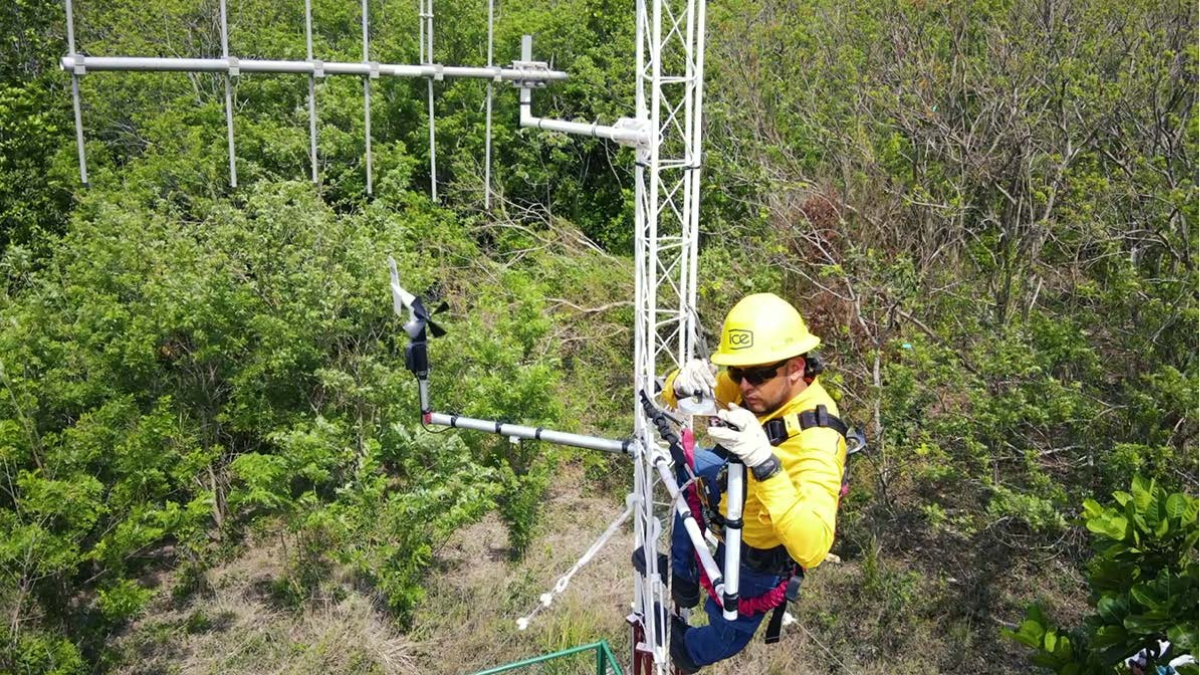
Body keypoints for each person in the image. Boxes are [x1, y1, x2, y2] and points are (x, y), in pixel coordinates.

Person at [662, 292, 848, 672]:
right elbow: (683, 396)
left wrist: (765, 463)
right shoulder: (754, 387)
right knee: (681, 463)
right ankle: (683, 575)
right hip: (732, 498)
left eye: (758, 374)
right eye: (737, 373)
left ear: (796, 368)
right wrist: (680, 383)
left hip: (758, 553)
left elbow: (813, 545)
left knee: (727, 631)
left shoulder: (818, 439)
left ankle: (688, 651)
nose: (745, 386)